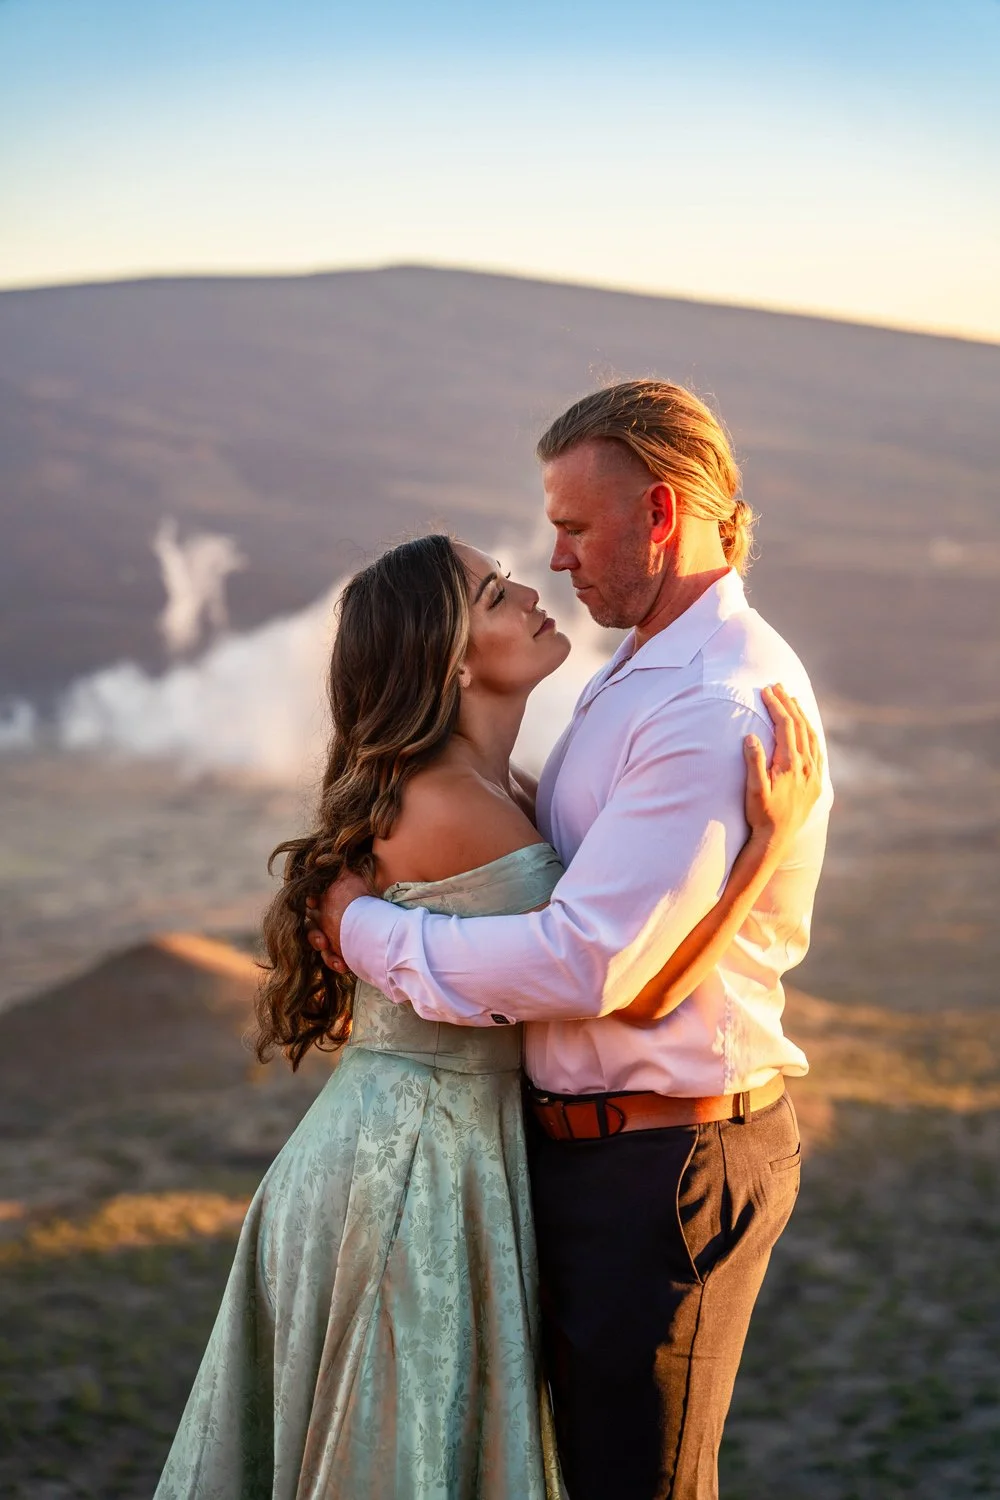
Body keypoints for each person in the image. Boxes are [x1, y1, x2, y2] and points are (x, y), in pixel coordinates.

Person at [154, 526, 823, 1500]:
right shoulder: (454, 807)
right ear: (455, 656)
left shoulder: (491, 788)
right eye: (494, 593)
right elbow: (619, 992)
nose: (530, 591)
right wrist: (760, 856)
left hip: (418, 1154)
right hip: (410, 1175)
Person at [310, 381, 834, 1500]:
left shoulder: (706, 699)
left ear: (657, 513)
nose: (554, 559)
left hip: (661, 1165)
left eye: (572, 528)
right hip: (590, 1157)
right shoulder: (636, 668)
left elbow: (591, 966)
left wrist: (366, 935)